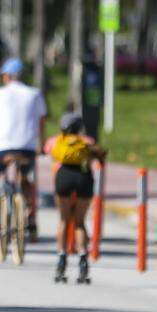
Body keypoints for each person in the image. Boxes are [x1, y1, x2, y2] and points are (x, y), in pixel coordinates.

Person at [0, 57, 47, 241]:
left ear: (8, 76)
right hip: (27, 150)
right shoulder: (35, 94)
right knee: (27, 180)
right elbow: (42, 121)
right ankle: (29, 214)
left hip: (3, 150)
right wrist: (41, 145)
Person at [48, 112, 106, 283]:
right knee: (80, 222)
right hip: (83, 177)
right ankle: (83, 262)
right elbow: (99, 156)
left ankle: (61, 261)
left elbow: (47, 151)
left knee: (64, 220)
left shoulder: (56, 141)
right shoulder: (87, 142)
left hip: (63, 177)